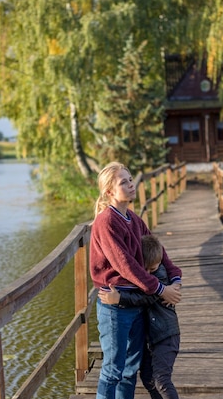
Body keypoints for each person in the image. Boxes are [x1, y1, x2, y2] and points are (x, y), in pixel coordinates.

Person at [90, 161, 182, 399]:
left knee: (130, 371)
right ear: (109, 191)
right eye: (124, 182)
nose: (131, 185)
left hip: (136, 301)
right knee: (113, 370)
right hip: (115, 305)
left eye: (130, 180)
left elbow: (159, 250)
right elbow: (125, 265)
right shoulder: (106, 221)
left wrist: (175, 278)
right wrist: (161, 288)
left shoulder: (133, 218)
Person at [99, 234, 180, 399]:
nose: (150, 274)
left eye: (153, 269)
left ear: (160, 262)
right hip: (152, 337)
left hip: (165, 335)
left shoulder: (161, 275)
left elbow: (146, 297)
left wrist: (119, 298)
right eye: (146, 269)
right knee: (148, 379)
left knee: (161, 380)